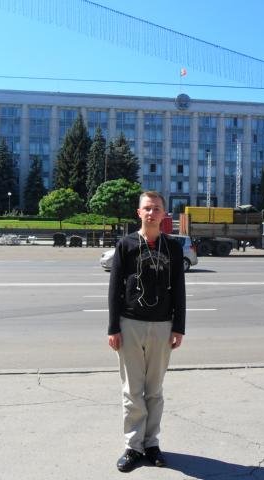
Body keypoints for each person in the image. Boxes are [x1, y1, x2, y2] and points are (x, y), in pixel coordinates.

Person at [108, 191, 186, 473]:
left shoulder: (173, 247)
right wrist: (113, 327)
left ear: (164, 214)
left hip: (163, 326)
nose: (152, 213)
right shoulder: (126, 244)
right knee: (132, 390)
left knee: (154, 391)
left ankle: (151, 444)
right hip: (130, 324)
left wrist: (178, 327)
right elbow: (114, 288)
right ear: (139, 213)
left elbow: (179, 290)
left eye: (156, 209)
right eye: (147, 208)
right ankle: (133, 446)